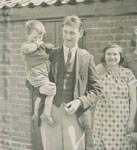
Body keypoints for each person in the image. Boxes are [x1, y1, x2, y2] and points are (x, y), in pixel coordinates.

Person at [39, 15, 101, 150]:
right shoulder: (50, 54)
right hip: (50, 112)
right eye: (65, 32)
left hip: (75, 115)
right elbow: (31, 80)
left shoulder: (87, 58)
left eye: (72, 33)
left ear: (80, 33)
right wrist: (41, 88)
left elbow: (97, 89)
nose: (68, 36)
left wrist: (80, 101)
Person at [93, 43, 137, 150]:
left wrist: (131, 120)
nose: (112, 57)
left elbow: (133, 99)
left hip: (122, 120)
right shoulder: (98, 73)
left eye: (115, 54)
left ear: (120, 56)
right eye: (109, 54)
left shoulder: (127, 73)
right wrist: (96, 69)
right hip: (103, 120)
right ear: (104, 56)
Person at [21, 20, 56, 126]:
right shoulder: (26, 45)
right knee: (52, 90)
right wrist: (37, 43)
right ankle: (46, 114)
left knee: (42, 95)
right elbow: (28, 49)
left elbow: (45, 47)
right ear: (28, 35)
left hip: (42, 74)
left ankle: (36, 112)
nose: (38, 40)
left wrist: (47, 46)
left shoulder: (40, 44)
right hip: (36, 73)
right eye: (34, 37)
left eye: (40, 37)